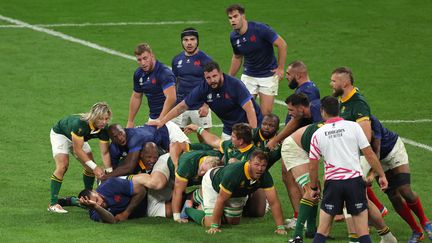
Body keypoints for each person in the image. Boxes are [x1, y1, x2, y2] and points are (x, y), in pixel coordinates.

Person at [308, 96, 388, 243]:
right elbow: (369, 154)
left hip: (333, 184)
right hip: (354, 183)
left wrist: (313, 187)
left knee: (323, 230)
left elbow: (313, 165)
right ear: (339, 110)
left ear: (322, 111)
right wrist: (381, 175)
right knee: (363, 232)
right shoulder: (354, 127)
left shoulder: (317, 134)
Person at [149, 61, 262, 140]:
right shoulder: (203, 88)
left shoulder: (235, 85)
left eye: (214, 76)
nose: (212, 80)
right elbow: (181, 107)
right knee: (227, 161)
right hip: (230, 129)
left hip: (251, 125)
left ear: (220, 74)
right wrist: (162, 121)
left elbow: (250, 109)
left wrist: (252, 133)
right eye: (208, 78)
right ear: (204, 77)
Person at [185, 150, 287, 235]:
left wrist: (280, 227)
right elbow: (221, 199)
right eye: (256, 164)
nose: (260, 169)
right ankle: (189, 207)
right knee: (210, 222)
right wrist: (215, 226)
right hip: (213, 183)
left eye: (263, 165)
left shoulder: (265, 175)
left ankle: (205, 206)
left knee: (233, 222)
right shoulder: (234, 174)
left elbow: (274, 201)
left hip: (235, 191)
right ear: (249, 162)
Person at [367, 116, 432, 242]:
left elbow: (377, 150)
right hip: (375, 159)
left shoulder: (372, 121)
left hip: (392, 150)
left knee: (405, 189)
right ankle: (416, 231)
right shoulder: (350, 123)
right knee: (394, 197)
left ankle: (425, 222)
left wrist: (375, 174)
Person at [48, 102, 112, 214]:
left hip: (79, 139)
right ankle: (53, 204)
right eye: (101, 119)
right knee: (63, 166)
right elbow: (78, 150)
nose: (104, 122)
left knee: (90, 168)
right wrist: (95, 167)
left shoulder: (104, 129)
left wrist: (109, 172)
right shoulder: (80, 125)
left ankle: (88, 198)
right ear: (94, 117)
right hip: (61, 135)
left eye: (106, 119)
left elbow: (105, 152)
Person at [226, 4, 287, 116]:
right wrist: (229, 77)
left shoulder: (260, 29)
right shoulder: (233, 37)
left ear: (243, 16)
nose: (233, 20)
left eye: (235, 16)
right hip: (249, 76)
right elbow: (237, 57)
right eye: (230, 18)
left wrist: (281, 68)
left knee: (265, 115)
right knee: (244, 113)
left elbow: (282, 44)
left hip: (268, 76)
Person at [171, 27, 213, 142]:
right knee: (176, 140)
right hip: (181, 106)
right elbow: (174, 83)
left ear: (197, 41)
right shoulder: (176, 60)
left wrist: (206, 105)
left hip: (199, 107)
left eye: (192, 39)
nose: (189, 43)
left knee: (205, 141)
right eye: (185, 40)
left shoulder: (206, 60)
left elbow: (213, 84)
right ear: (182, 42)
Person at [127, 43, 177, 127]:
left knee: (178, 141)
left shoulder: (164, 73)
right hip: (154, 117)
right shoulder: (138, 74)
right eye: (139, 60)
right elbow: (136, 96)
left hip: (171, 117)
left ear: (152, 56)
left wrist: (161, 120)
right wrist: (130, 121)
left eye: (145, 58)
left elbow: (171, 98)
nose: (143, 63)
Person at [169, 150, 223, 223]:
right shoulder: (187, 165)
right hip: (169, 169)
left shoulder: (218, 160)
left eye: (205, 172)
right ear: (204, 161)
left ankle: (189, 202)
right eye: (203, 169)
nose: (202, 172)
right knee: (169, 209)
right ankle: (187, 205)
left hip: (187, 175)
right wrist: (177, 217)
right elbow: (177, 192)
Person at [78, 177, 147, 223]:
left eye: (96, 200)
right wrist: (95, 206)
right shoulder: (95, 212)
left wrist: (126, 213)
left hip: (149, 199)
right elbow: (112, 221)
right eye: (94, 204)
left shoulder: (111, 184)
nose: (99, 204)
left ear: (95, 192)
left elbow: (141, 190)